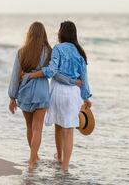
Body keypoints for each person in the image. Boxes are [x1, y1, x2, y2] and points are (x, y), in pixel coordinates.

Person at [8, 21, 81, 170]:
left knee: (29, 127)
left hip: (25, 92)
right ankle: (32, 160)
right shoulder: (49, 51)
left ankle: (34, 157)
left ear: (29, 34)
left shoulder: (22, 52)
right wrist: (73, 81)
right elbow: (54, 71)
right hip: (41, 91)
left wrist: (12, 97)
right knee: (37, 129)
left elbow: (15, 76)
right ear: (44, 35)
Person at [28, 21, 92, 171]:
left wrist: (32, 75)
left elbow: (52, 71)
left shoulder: (58, 49)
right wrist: (86, 97)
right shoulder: (80, 52)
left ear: (62, 33)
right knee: (68, 130)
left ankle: (60, 156)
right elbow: (84, 78)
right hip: (73, 93)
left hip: (57, 91)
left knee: (58, 124)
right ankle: (65, 166)